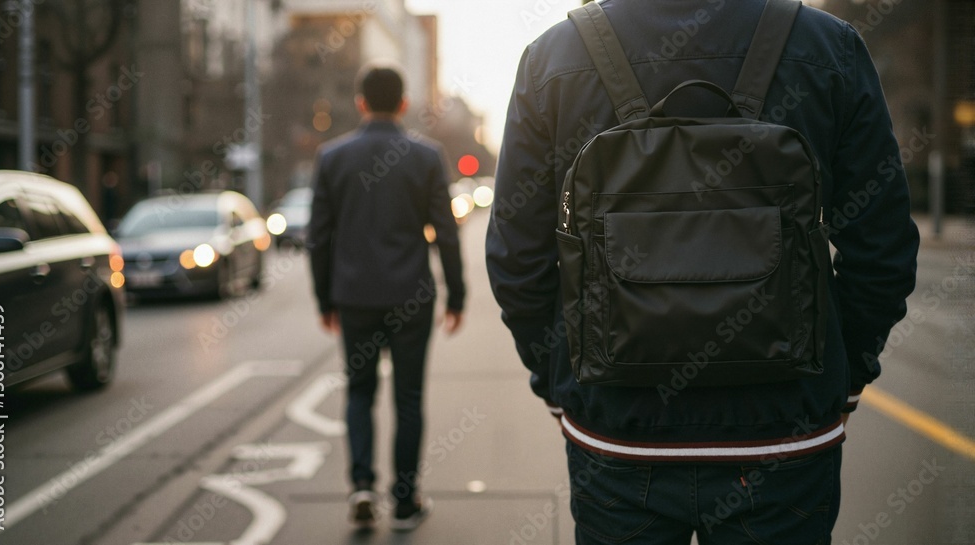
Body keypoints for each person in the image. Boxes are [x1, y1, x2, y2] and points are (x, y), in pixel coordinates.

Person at [486, 0, 920, 543]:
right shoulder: (827, 46)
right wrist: (843, 377)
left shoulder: (554, 58)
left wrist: (557, 378)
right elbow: (883, 247)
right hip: (784, 437)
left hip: (618, 439)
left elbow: (515, 257)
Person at [307, 64, 465, 532]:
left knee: (359, 392)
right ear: (402, 104)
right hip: (411, 294)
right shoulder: (427, 156)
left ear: (360, 103)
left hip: (354, 296)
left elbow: (318, 237)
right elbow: (447, 233)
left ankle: (360, 486)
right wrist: (457, 295)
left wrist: (324, 300)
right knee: (409, 397)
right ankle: (404, 500)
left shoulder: (332, 158)